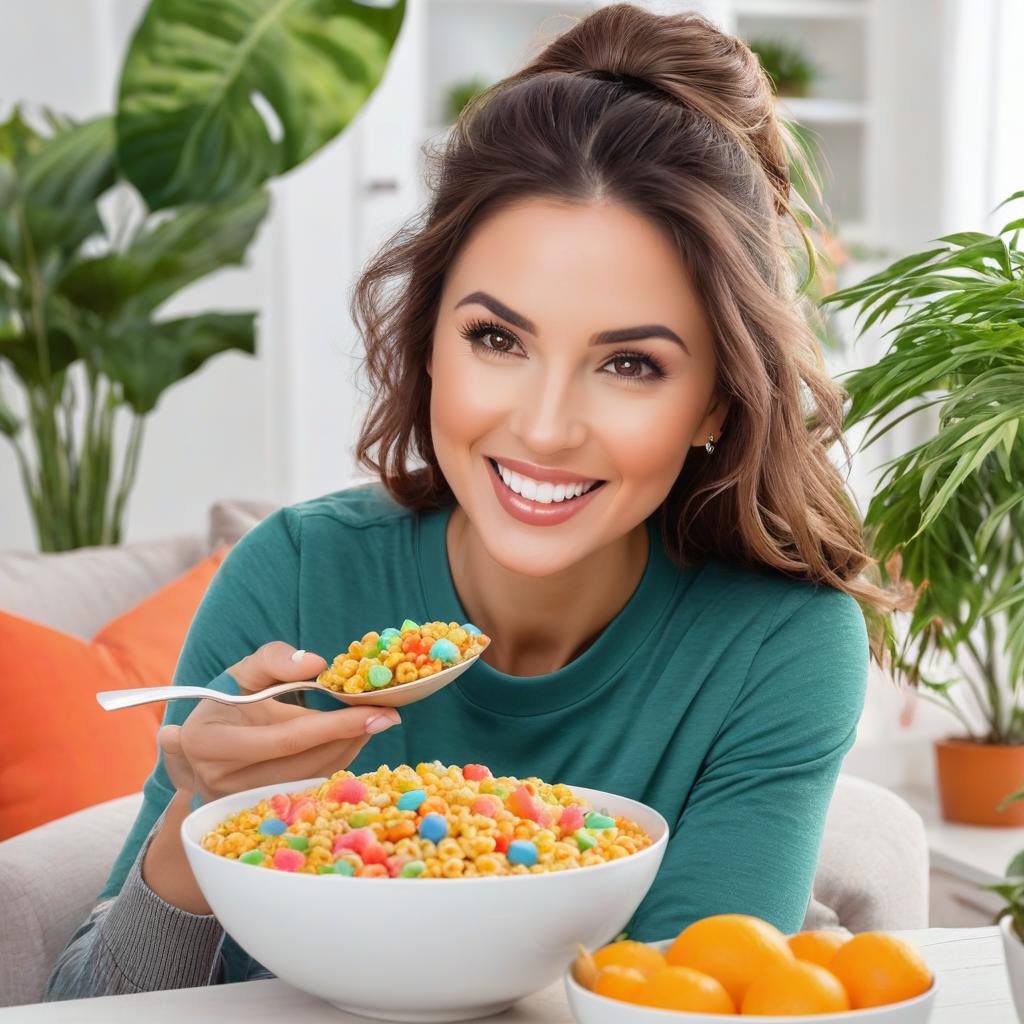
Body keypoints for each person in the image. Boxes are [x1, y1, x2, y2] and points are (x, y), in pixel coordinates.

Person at [43, 2, 909, 1000]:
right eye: (497, 339)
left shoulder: (773, 649)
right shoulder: (297, 575)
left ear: (715, 397)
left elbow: (686, 1004)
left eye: (629, 363)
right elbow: (88, 1008)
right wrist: (195, 824)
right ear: (427, 340)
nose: (542, 428)